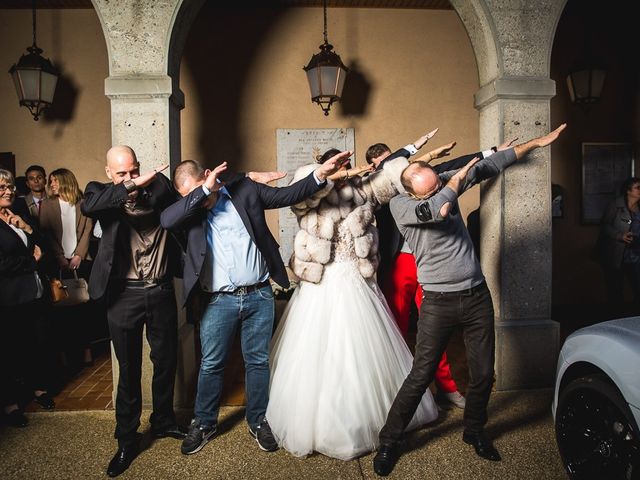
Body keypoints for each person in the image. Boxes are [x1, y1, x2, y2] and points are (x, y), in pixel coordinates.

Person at [372, 124, 567, 476]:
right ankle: (390, 440)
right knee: (421, 374)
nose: (437, 187)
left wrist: (536, 143)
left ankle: (474, 430)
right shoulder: (400, 206)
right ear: (410, 189)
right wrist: (453, 183)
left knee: (480, 374)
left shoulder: (443, 181)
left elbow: (488, 165)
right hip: (437, 302)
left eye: (437, 182)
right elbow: (439, 209)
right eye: (429, 187)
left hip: (476, 296)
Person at [159, 153, 349, 456]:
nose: (197, 199)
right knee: (211, 364)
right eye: (190, 195)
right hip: (217, 300)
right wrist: (203, 191)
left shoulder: (245, 190)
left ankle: (258, 419)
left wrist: (320, 174)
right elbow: (166, 219)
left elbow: (287, 195)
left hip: (258, 294)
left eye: (198, 189)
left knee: (258, 361)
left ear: (208, 174)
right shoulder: (190, 211)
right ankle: (204, 422)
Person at [266, 135, 443, 461]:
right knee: (320, 354)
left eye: (346, 168)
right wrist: (322, 174)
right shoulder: (310, 197)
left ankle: (374, 419)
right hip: (323, 284)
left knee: (364, 352)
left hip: (358, 282)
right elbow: (300, 194)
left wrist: (417, 151)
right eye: (338, 169)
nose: (345, 173)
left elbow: (389, 179)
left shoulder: (360, 195)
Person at [369, 137, 518, 410]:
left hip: (432, 268)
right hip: (399, 264)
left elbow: (457, 166)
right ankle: (394, 388)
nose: (394, 166)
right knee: (396, 327)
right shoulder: (377, 189)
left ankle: (447, 388)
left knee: (432, 331)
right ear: (375, 168)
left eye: (395, 160)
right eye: (385, 164)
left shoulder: (419, 178)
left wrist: (492, 151)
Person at [81, 146, 186, 478]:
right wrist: (128, 186)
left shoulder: (158, 187)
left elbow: (185, 195)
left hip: (161, 289)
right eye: (122, 173)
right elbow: (90, 206)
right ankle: (127, 439)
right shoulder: (100, 193)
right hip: (123, 294)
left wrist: (149, 183)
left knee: (166, 359)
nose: (131, 178)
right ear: (110, 173)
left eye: (134, 170)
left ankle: (163, 421)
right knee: (128, 369)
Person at [0, 169, 55, 428]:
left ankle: (39, 389)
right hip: (9, 298)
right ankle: (10, 404)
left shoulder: (16, 213)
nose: (9, 191)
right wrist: (30, 261)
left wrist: (26, 227)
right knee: (10, 350)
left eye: (10, 186)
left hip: (34, 292)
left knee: (38, 342)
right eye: (2, 187)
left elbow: (42, 244)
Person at [39, 168, 95, 368]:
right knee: (60, 310)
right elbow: (46, 234)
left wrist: (79, 255)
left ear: (65, 182)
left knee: (83, 308)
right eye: (51, 181)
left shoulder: (82, 204)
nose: (51, 184)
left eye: (54, 181)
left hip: (81, 261)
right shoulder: (47, 205)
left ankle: (86, 351)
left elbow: (88, 230)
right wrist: (60, 258)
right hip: (58, 264)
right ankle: (63, 355)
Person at [597, 177, 640, 315]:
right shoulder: (615, 205)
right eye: (638, 188)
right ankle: (616, 318)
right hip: (616, 253)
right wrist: (620, 236)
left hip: (635, 255)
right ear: (628, 190)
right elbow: (604, 226)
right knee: (615, 289)